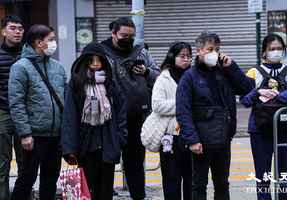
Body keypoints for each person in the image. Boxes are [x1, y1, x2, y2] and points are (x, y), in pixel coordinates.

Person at [176, 32, 254, 200]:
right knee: (199, 185)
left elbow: (247, 88)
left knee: (222, 184)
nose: (214, 53)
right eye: (210, 49)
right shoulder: (189, 77)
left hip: (223, 138)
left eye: (217, 49)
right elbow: (183, 110)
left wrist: (231, 67)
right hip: (201, 141)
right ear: (199, 51)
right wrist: (192, 139)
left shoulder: (225, 71)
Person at [100, 17, 159, 200]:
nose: (128, 39)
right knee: (107, 162)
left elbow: (159, 77)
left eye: (131, 36)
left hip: (136, 117)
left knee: (135, 164)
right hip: (109, 118)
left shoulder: (141, 52)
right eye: (124, 35)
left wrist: (146, 72)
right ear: (113, 33)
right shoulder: (101, 52)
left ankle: (138, 196)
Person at [61, 42, 127, 200]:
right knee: (86, 191)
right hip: (86, 145)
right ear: (85, 62)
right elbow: (70, 117)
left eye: (99, 60)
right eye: (92, 60)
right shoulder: (76, 84)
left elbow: (121, 112)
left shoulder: (111, 84)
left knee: (105, 191)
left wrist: (120, 138)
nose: (96, 64)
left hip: (107, 143)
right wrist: (69, 148)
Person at [8, 24, 66, 200]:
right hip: (34, 135)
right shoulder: (20, 67)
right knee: (27, 177)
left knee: (50, 178)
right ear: (39, 43)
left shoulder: (58, 67)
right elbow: (16, 103)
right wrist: (25, 133)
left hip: (55, 135)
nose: (54, 43)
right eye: (51, 40)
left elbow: (65, 97)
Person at [240, 33, 287, 200]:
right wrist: (258, 91)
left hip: (286, 130)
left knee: (285, 177)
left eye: (279, 48)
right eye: (272, 49)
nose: (276, 52)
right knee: (263, 176)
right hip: (260, 131)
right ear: (264, 52)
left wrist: (275, 97)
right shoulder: (254, 72)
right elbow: (244, 100)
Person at [152, 41, 192, 200]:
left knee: (192, 180)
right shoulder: (164, 78)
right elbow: (157, 105)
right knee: (171, 180)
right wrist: (183, 105)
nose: (186, 59)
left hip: (192, 135)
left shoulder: (193, 76)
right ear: (172, 57)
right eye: (182, 56)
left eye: (189, 56)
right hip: (170, 137)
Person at [0, 14, 24, 200]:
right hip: (3, 112)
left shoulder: (29, 54)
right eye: (13, 28)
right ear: (3, 31)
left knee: (26, 162)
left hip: (26, 114)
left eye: (20, 28)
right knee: (2, 162)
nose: (17, 31)